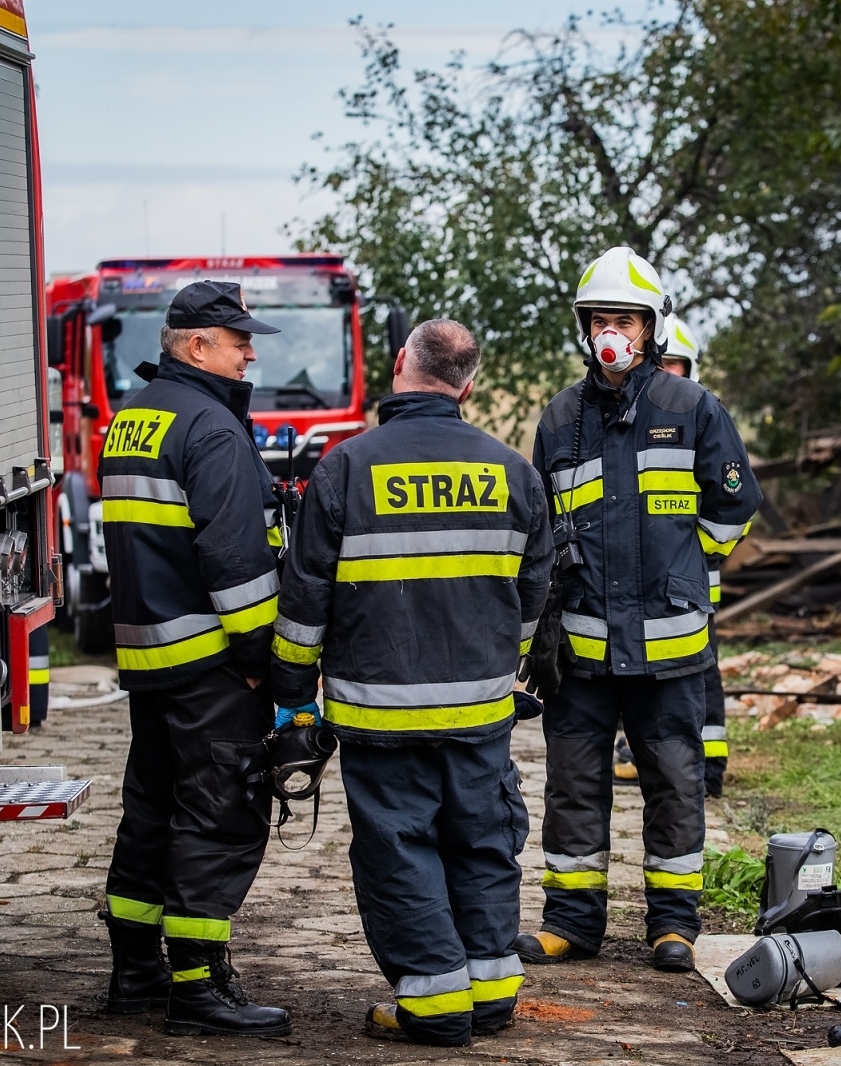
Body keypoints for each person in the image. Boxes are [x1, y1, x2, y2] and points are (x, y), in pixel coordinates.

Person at [269, 319, 552, 1048]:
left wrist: (294, 694)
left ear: (399, 364)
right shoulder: (512, 471)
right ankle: (491, 996)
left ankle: (431, 1004)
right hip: (481, 713)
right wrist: (501, 664)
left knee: (400, 850)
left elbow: (304, 600)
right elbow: (531, 593)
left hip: (379, 713)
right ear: (470, 385)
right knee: (483, 844)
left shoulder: (346, 468)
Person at [518, 248, 761, 972]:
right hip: (582, 655)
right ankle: (570, 923)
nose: (609, 332)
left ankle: (673, 927)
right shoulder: (560, 419)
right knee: (572, 790)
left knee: (676, 787)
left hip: (671, 651)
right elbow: (540, 526)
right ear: (584, 328)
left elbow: (736, 504)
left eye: (622, 318)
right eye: (598, 319)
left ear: (650, 327)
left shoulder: (691, 409)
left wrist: (691, 567)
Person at [98, 280, 289, 1037]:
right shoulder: (211, 429)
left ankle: (135, 975)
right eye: (239, 339)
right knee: (218, 818)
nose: (250, 352)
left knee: (149, 811)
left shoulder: (134, 419)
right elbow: (237, 562)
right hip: (213, 665)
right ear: (198, 345)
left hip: (151, 661)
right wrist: (259, 660)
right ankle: (198, 991)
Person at [609, 312, 736, 797]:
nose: (669, 375)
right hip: (645, 586)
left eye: (677, 366)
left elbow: (729, 503)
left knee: (701, 676)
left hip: (693, 588)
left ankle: (708, 769)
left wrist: (685, 552)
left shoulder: (702, 419)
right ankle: (640, 754)